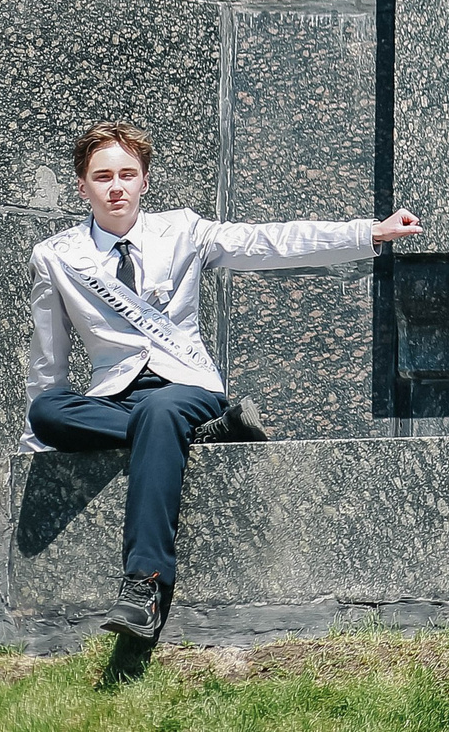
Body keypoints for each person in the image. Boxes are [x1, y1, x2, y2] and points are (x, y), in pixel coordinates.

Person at [24, 121, 424, 640]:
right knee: (47, 410)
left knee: (160, 412)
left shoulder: (182, 231)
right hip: (113, 400)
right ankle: (200, 436)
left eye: (127, 174)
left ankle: (144, 586)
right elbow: (48, 358)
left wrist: (367, 233)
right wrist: (36, 441)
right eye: (103, 177)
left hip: (185, 389)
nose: (116, 186)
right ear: (82, 187)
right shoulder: (57, 255)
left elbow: (267, 242)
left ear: (145, 181)